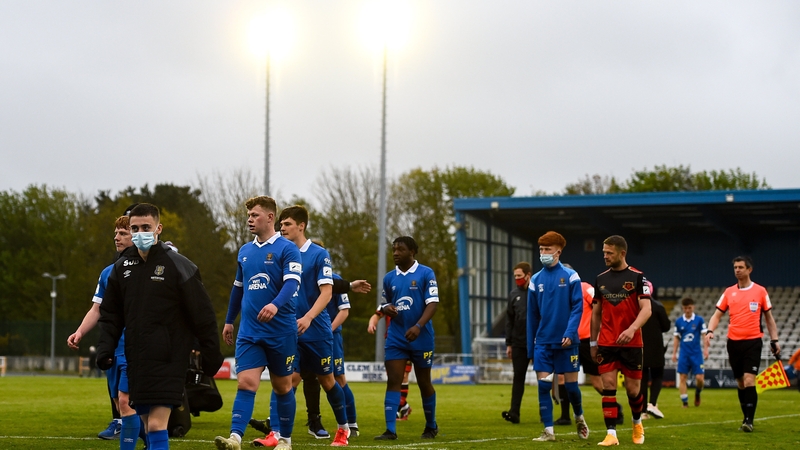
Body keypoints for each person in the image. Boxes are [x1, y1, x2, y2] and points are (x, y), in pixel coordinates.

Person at [97, 203, 223, 450]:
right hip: (137, 358)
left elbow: (203, 314)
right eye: (135, 228)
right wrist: (105, 347)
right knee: (144, 422)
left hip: (169, 358)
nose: (140, 232)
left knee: (156, 425)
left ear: (159, 229)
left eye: (146, 227)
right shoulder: (122, 268)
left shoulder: (179, 265)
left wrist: (211, 353)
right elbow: (111, 314)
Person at [256, 205, 350, 447]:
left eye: (286, 224)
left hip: (316, 330)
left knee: (328, 381)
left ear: (301, 225)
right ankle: (275, 434)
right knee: (288, 380)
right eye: (281, 224)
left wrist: (308, 317)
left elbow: (327, 293)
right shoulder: (281, 253)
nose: (282, 228)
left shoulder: (319, 254)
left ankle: (343, 429)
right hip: (289, 331)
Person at [214, 196, 302, 450]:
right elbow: (237, 289)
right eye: (249, 216)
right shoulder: (245, 251)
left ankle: (285, 439)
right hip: (250, 332)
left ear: (270, 217)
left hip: (281, 331)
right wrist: (230, 320)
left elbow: (292, 283)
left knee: (283, 386)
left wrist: (275, 304)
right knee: (246, 383)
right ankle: (235, 438)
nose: (250, 220)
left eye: (255, 215)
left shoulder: (287, 249)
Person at [247, 277, 371, 439]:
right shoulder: (291, 273)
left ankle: (350, 425)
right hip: (297, 334)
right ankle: (277, 426)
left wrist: (328, 329)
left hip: (324, 336)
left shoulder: (333, 277)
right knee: (290, 378)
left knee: (334, 379)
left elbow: (344, 310)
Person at [67, 215, 144, 446]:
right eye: (116, 233)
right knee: (120, 401)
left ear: (135, 236)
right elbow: (96, 308)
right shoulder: (108, 272)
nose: (116, 237)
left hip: (136, 347)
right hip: (112, 347)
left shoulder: (148, 270)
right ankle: (149, 439)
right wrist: (80, 332)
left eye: (122, 233)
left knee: (126, 401)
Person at [374, 236, 439, 440]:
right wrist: (386, 309)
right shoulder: (389, 278)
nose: (395, 253)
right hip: (396, 337)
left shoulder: (426, 273)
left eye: (400, 249)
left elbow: (433, 303)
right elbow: (383, 304)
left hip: (421, 336)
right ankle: (390, 430)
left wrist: (419, 326)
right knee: (393, 380)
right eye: (393, 249)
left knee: (423, 382)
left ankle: (431, 426)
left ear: (412, 252)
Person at [706, 256, 780, 432]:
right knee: (740, 382)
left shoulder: (761, 291)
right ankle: (745, 416)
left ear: (749, 270)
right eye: (735, 267)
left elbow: (769, 318)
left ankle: (749, 420)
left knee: (749, 380)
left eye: (740, 267)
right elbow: (717, 315)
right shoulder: (729, 292)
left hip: (753, 342)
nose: (737, 270)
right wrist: (710, 331)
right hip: (733, 343)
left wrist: (774, 339)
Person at [526, 232, 589, 442]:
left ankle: (579, 416)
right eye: (541, 250)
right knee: (543, 386)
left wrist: (570, 332)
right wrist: (530, 348)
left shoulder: (571, 276)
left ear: (558, 252)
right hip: (543, 342)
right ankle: (548, 431)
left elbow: (577, 307)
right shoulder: (535, 280)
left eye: (547, 249)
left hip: (567, 342)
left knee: (571, 387)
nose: (543, 253)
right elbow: (532, 316)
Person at [590, 235, 652, 446]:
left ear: (622, 253)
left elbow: (647, 309)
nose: (605, 256)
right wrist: (592, 342)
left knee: (633, 390)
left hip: (632, 343)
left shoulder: (638, 278)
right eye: (604, 252)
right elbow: (596, 313)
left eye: (609, 253)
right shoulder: (600, 279)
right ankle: (611, 434)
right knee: (608, 386)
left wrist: (632, 329)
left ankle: (636, 423)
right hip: (607, 342)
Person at [576, 270, 625, 426]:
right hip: (569, 341)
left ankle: (615, 407)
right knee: (563, 379)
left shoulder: (584, 288)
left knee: (597, 383)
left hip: (586, 341)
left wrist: (600, 332)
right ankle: (566, 415)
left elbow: (600, 306)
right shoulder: (561, 294)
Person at [501, 261, 532, 424]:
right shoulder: (513, 294)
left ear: (528, 275)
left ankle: (545, 413)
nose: (517, 279)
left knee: (544, 378)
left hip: (537, 342)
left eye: (519, 276)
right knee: (518, 377)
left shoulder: (537, 292)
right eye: (515, 276)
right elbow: (509, 320)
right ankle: (514, 412)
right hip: (519, 343)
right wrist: (509, 343)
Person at [367, 313, 414, 420]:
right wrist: (372, 322)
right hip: (392, 339)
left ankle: (398, 407)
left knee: (404, 375)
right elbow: (379, 312)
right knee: (393, 376)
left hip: (408, 338)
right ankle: (404, 406)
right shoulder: (389, 299)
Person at [671, 297, 709, 409]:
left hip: (696, 353)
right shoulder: (679, 321)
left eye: (689, 308)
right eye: (685, 308)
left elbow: (703, 335)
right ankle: (685, 403)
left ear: (693, 307)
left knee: (700, 378)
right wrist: (674, 353)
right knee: (682, 377)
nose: (687, 310)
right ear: (682, 308)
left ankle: (697, 393)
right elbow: (676, 338)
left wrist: (706, 349)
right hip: (684, 353)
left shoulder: (699, 320)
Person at [640, 281, 670, 419]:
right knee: (657, 376)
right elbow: (666, 326)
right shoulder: (658, 306)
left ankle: (643, 410)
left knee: (643, 379)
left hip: (640, 346)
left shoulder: (636, 307)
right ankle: (652, 404)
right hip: (657, 347)